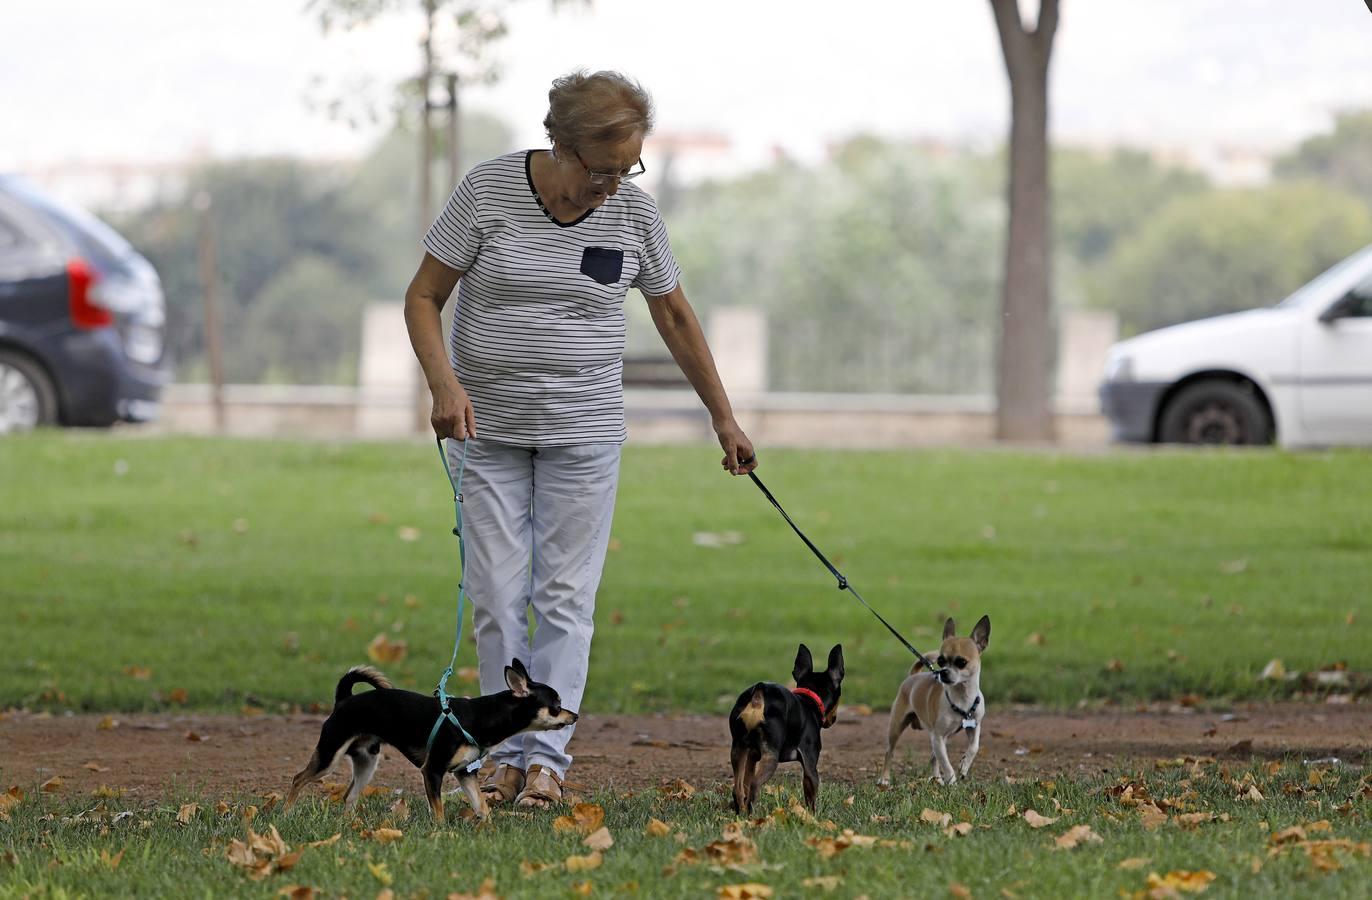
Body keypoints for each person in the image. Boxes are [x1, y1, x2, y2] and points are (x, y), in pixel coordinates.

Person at [403, 69, 758, 808]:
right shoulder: (487, 192)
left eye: (627, 168)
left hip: (584, 433)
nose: (611, 186)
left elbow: (676, 317)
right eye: (600, 170)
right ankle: (501, 751)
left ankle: (546, 764)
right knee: (500, 596)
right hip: (486, 428)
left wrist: (723, 416)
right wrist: (443, 383)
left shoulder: (633, 215)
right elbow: (425, 295)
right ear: (557, 145)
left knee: (565, 596)